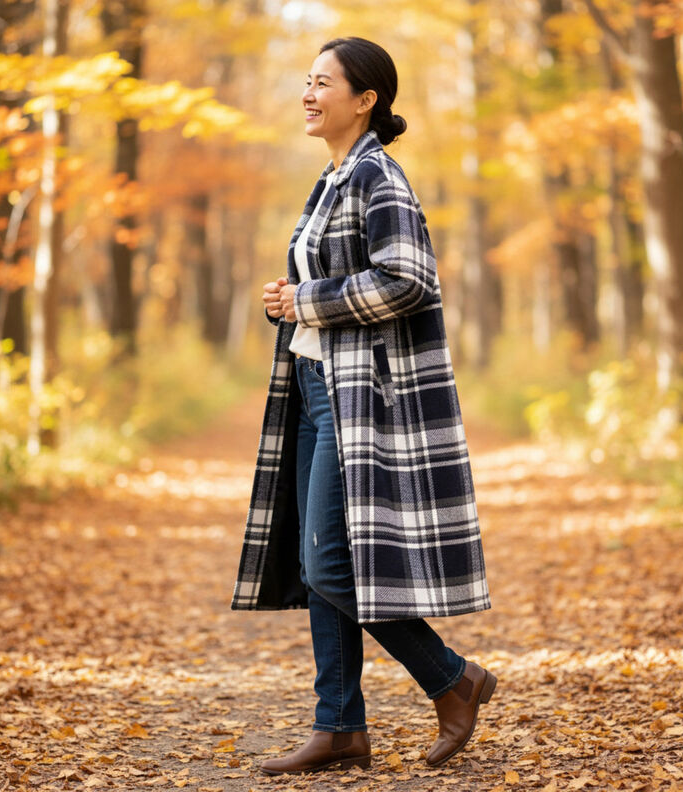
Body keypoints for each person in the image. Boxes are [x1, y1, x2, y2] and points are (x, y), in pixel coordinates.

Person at [231, 36, 495, 776]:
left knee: (330, 567)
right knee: (324, 559)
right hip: (318, 390)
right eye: (305, 82)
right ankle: (340, 725)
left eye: (323, 82)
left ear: (366, 97)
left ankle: (452, 677)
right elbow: (331, 286)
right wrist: (288, 304)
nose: (308, 94)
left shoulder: (379, 177)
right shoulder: (333, 178)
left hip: (362, 401)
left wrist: (305, 299)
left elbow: (407, 281)